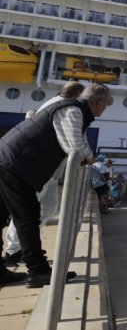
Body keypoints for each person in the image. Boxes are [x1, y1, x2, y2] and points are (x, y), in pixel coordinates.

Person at [0, 83, 110, 288]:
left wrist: (86, 155)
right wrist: (89, 157)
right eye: (106, 104)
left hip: (9, 160)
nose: (105, 108)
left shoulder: (72, 108)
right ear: (99, 102)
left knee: (5, 217)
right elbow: (75, 146)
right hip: (15, 165)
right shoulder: (73, 110)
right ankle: (38, 271)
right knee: (27, 218)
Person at [3, 81, 84, 267]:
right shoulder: (64, 108)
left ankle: (23, 245)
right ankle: (14, 251)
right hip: (38, 170)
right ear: (77, 95)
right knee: (25, 213)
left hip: (51, 171)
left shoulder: (60, 106)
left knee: (49, 206)